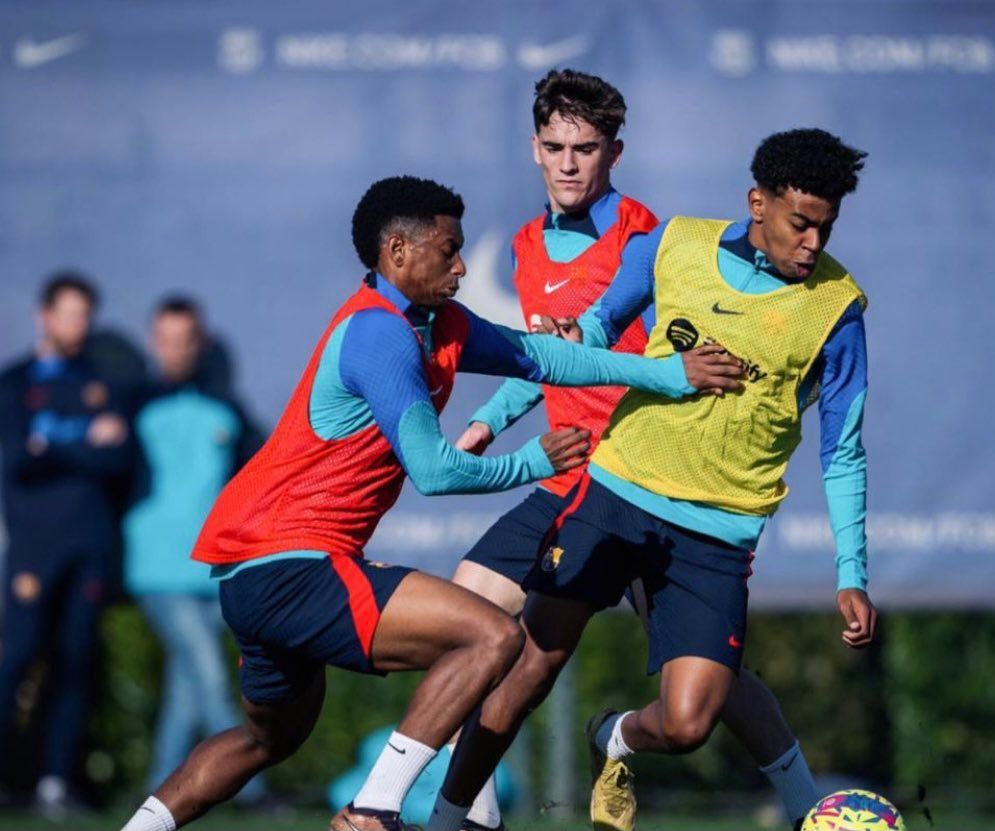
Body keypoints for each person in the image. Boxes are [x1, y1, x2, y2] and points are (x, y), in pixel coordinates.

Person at [117, 175, 744, 831]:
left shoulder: (435, 322)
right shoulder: (378, 334)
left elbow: (542, 357)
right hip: (292, 561)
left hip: (254, 573)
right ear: (396, 251)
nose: (462, 265)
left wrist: (669, 374)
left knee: (265, 741)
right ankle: (372, 807)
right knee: (492, 635)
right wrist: (533, 461)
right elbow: (436, 472)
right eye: (447, 250)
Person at [384, 70, 820, 831]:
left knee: (707, 688)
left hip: (636, 476)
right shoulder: (523, 243)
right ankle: (464, 809)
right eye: (554, 146)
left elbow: (601, 345)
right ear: (533, 148)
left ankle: (807, 803)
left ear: (614, 152)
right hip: (566, 472)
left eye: (585, 148)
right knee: (472, 620)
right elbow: (547, 360)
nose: (568, 163)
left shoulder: (649, 238)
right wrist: (489, 419)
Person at [122, 297, 268, 801]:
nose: (176, 350)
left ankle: (160, 788)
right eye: (166, 339)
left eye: (185, 339)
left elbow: (260, 473)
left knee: (188, 686)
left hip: (213, 567)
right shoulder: (130, 404)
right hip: (158, 569)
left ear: (200, 343)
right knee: (207, 672)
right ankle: (252, 790)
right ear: (151, 342)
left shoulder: (228, 409)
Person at [0, 272, 131, 819]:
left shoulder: (100, 381)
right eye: (68, 314)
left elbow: (117, 459)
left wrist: (53, 443)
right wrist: (83, 441)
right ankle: (10, 776)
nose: (77, 325)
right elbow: (19, 460)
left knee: (74, 664)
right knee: (18, 659)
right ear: (44, 316)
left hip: (89, 546)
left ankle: (56, 782)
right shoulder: (14, 383)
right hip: (33, 549)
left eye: (85, 315)